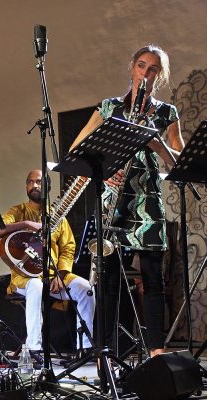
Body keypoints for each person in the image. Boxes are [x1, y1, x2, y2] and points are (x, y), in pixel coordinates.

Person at [70, 44, 184, 357]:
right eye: (141, 66)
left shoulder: (166, 113)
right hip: (112, 204)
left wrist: (158, 145)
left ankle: (156, 352)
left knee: (152, 277)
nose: (145, 74)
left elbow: (179, 163)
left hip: (146, 202)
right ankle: (106, 350)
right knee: (107, 279)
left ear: (159, 77)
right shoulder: (108, 108)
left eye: (153, 70)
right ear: (132, 67)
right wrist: (102, 173)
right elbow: (77, 150)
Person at [0, 170, 96, 362]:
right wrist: (27, 224)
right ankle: (34, 349)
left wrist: (62, 273)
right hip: (26, 277)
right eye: (30, 182)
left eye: (39, 182)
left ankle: (85, 348)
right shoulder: (17, 212)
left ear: (48, 186)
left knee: (86, 289)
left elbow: (68, 248)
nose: (34, 185)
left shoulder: (58, 217)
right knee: (36, 286)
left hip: (54, 275)